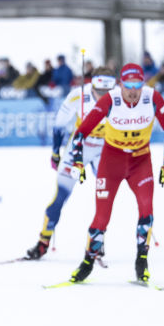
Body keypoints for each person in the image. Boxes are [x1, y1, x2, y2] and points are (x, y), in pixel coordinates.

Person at [66, 63, 164, 284]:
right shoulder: (110, 99)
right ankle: (87, 263)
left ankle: (141, 262)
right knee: (102, 217)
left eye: (138, 85)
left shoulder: (152, 98)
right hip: (112, 162)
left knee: (147, 209)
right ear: (121, 84)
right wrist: (78, 161)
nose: (133, 91)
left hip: (140, 161)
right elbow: (81, 132)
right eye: (128, 85)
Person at [23, 66, 116, 260]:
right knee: (60, 197)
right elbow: (59, 125)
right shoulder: (77, 96)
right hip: (79, 147)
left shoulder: (119, 98)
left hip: (105, 149)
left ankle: (98, 241)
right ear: (92, 84)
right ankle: (43, 242)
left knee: (104, 196)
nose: (103, 96)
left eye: (107, 91)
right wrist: (55, 152)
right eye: (99, 91)